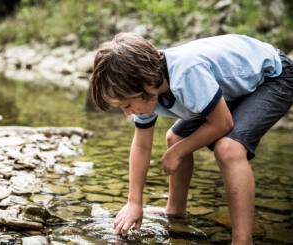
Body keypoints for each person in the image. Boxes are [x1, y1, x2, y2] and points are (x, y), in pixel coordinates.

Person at [90, 32, 293, 244]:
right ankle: (175, 211)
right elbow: (141, 145)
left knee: (228, 148)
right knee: (175, 138)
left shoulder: (186, 74)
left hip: (273, 77)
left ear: (148, 84)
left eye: (127, 105)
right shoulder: (145, 86)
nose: (127, 112)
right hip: (233, 89)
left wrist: (179, 152)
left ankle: (242, 240)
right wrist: (134, 202)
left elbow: (223, 123)